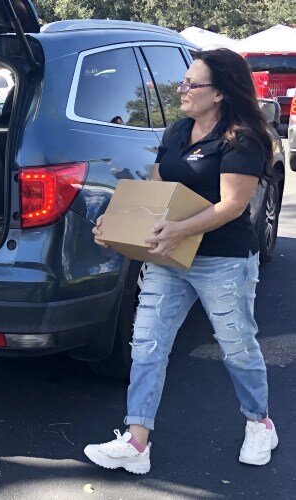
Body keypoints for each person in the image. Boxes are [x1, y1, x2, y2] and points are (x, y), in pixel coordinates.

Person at [85, 48, 277, 474]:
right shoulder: (177, 132)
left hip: (222, 261)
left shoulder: (241, 137)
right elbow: (156, 194)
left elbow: (231, 205)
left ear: (221, 92)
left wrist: (179, 230)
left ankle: (259, 422)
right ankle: (137, 443)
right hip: (169, 257)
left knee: (237, 347)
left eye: (193, 84)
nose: (182, 90)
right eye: (183, 82)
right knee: (148, 345)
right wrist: (120, 230)